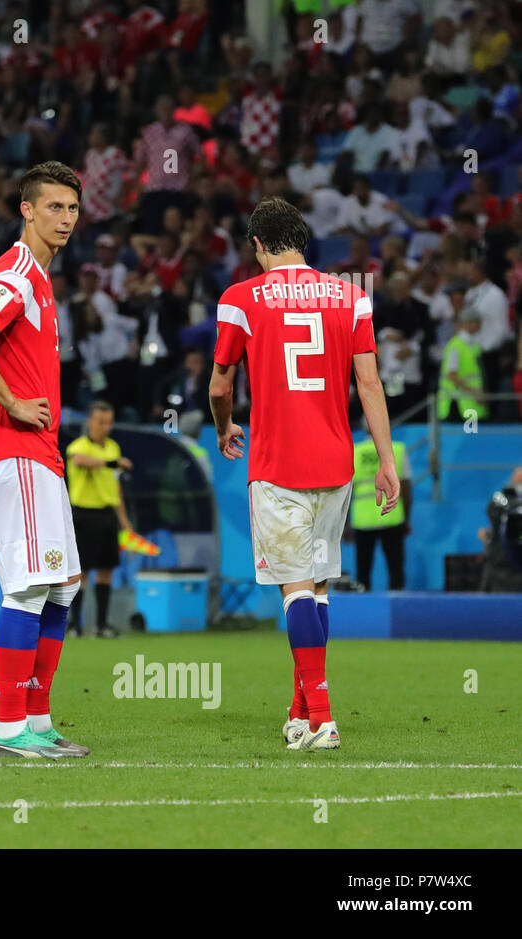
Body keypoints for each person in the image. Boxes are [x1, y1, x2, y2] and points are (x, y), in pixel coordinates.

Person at [209, 196, 400, 752]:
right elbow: (369, 385)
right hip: (336, 464)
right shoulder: (352, 296)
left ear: (259, 245)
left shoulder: (240, 299)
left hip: (278, 464)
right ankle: (300, 712)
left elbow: (221, 386)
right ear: (303, 241)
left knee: (293, 589)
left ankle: (322, 716)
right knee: (315, 588)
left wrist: (224, 427)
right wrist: (385, 461)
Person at [0, 161, 88, 760]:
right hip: (13, 451)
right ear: (27, 210)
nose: (65, 219)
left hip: (42, 456)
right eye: (53, 207)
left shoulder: (44, 279)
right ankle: (11, 729)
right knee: (31, 588)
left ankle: (38, 717)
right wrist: (9, 400)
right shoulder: (19, 269)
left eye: (73, 209)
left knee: (61, 588)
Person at [66, 402, 135, 638]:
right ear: (90, 422)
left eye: (109, 422)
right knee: (81, 572)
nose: (105, 427)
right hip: (84, 514)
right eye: (100, 422)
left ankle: (102, 625)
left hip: (107, 515)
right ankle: (75, 626)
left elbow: (115, 487)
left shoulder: (113, 447)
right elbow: (79, 461)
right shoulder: (79, 446)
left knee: (106, 570)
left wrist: (124, 520)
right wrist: (111, 463)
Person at [350, 423, 412, 590]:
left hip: (363, 519)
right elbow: (406, 488)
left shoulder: (355, 451)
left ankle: (362, 611)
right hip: (392, 516)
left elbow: (346, 491)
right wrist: (406, 518)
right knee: (396, 569)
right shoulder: (398, 449)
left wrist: (346, 524)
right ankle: (399, 609)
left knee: (363, 571)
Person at [437, 308, 488, 423]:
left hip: (470, 405)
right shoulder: (456, 345)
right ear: (468, 323)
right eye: (478, 322)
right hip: (457, 404)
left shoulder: (473, 345)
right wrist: (473, 392)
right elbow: (452, 375)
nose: (480, 325)